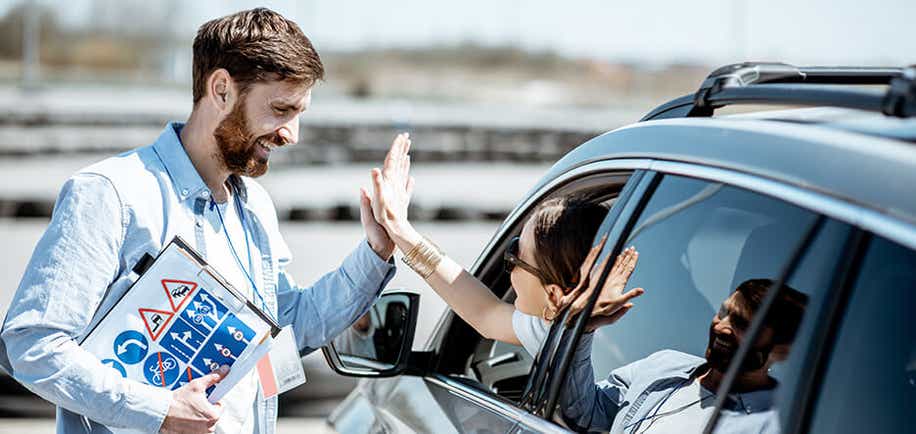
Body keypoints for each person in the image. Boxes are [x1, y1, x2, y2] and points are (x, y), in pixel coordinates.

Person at [0, 8, 403, 434]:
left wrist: (377, 250)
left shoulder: (256, 210)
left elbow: (286, 329)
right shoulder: (110, 195)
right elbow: (33, 344)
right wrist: (158, 410)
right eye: (281, 109)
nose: (292, 134)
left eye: (299, 113)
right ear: (221, 89)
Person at [363, 137, 644, 358]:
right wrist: (400, 230)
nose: (508, 270)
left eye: (514, 257)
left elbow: (484, 312)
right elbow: (484, 312)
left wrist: (400, 229)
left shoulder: (558, 333)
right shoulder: (565, 327)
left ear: (555, 295)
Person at [560, 279, 809, 434]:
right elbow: (585, 412)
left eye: (742, 324)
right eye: (723, 312)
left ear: (782, 349)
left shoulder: (777, 423)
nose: (722, 326)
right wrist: (582, 329)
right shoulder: (664, 366)